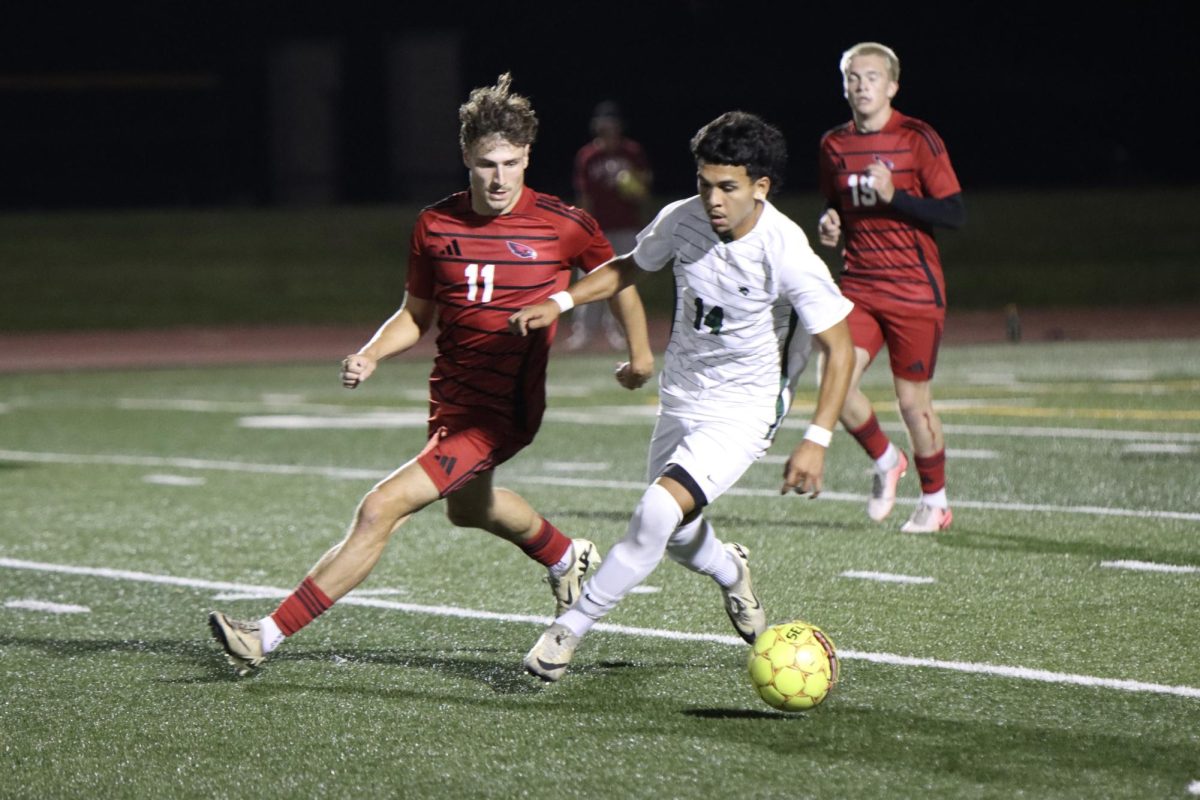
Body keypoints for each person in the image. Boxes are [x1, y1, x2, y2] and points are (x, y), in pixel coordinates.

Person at [208, 73, 655, 676]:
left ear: (528, 158)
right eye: (485, 165)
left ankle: (266, 634)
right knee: (469, 510)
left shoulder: (562, 222)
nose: (499, 179)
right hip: (451, 401)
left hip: (502, 412)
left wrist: (641, 353)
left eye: (511, 163)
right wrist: (371, 353)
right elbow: (415, 317)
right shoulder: (434, 226)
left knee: (379, 508)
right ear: (466, 160)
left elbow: (618, 275)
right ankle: (565, 555)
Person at [509, 110, 855, 682]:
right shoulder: (683, 218)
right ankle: (731, 571)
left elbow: (839, 349)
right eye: (704, 182)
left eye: (727, 187)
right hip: (682, 396)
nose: (713, 199)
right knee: (675, 536)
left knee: (653, 514)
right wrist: (562, 302)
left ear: (760, 188)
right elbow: (627, 267)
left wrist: (816, 440)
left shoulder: (786, 249)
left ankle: (567, 630)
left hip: (744, 409)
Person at [816, 42, 966, 533]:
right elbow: (836, 204)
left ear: (892, 85)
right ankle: (885, 460)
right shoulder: (833, 144)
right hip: (859, 283)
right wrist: (831, 223)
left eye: (872, 77)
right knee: (833, 383)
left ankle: (936, 502)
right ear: (844, 85)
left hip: (913, 289)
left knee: (912, 402)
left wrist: (896, 197)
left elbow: (954, 213)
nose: (862, 86)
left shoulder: (917, 137)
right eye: (853, 77)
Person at [565, 101, 654, 351]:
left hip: (626, 225)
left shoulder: (632, 152)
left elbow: (644, 190)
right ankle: (583, 332)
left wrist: (634, 188)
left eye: (612, 123)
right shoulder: (588, 156)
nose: (609, 128)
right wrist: (582, 229)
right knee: (589, 280)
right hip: (598, 228)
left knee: (622, 280)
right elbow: (584, 196)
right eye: (604, 123)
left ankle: (619, 330)